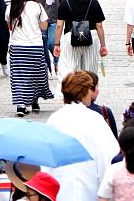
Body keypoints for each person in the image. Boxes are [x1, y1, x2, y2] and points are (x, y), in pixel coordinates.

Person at [46, 71, 119, 201]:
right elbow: (108, 156)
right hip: (90, 189)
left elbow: (46, 160)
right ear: (84, 92)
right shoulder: (95, 120)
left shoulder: (53, 120)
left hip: (59, 189)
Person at [8, 0, 54, 116]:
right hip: (34, 46)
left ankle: (21, 105)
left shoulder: (11, 6)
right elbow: (44, 26)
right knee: (36, 74)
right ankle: (34, 101)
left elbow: (9, 26)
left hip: (17, 47)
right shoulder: (37, 6)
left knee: (19, 76)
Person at [54, 0, 108, 77]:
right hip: (90, 38)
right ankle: (89, 91)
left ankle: (73, 90)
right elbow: (99, 26)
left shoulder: (65, 3)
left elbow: (59, 26)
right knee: (90, 72)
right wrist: (103, 45)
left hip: (70, 37)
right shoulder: (93, 2)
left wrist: (56, 44)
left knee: (70, 70)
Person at [33, 0, 67, 75]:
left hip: (55, 17)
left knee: (52, 42)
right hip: (40, 18)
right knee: (43, 44)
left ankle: (57, 61)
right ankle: (46, 68)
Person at [86, 70, 118, 137]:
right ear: (90, 89)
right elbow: (114, 141)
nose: (98, 90)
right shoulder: (104, 111)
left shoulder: (67, 113)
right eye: (97, 86)